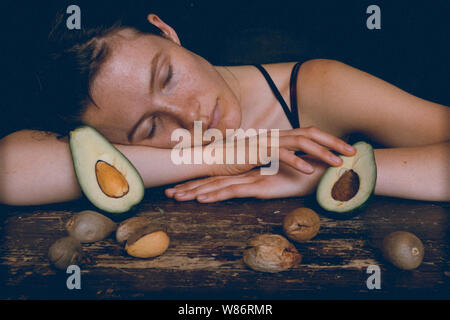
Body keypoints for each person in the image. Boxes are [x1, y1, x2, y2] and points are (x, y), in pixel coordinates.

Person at [0, 10, 448, 207]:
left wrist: (321, 174)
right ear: (115, 141)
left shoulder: (320, 86)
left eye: (168, 76)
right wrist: (216, 157)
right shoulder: (114, 141)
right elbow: (11, 170)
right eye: (150, 125)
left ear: (167, 32)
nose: (189, 114)